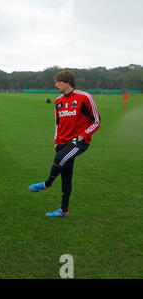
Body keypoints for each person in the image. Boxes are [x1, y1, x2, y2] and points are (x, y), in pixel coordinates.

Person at [28, 70, 101, 217]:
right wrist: (56, 141)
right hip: (62, 142)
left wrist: (83, 135)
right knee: (66, 177)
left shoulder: (85, 97)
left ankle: (46, 184)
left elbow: (97, 121)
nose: (56, 85)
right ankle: (64, 210)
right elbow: (57, 124)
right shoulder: (58, 101)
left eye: (58, 82)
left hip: (79, 141)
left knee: (58, 159)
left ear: (66, 81)